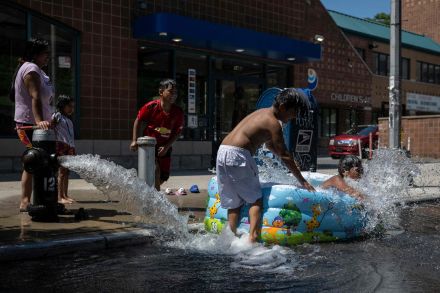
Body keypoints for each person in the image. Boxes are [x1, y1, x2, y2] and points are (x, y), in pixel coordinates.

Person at [216, 88, 316, 243]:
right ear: (282, 107)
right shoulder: (274, 124)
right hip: (239, 155)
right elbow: (284, 154)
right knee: (255, 200)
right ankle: (253, 238)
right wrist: (301, 180)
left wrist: (281, 156)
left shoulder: (262, 113)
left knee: (234, 203)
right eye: (293, 112)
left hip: (223, 152)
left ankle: (229, 238)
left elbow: (270, 146)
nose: (294, 117)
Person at [13, 38, 54, 212]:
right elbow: (34, 96)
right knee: (32, 160)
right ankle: (25, 201)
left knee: (43, 162)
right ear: (36, 54)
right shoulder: (30, 68)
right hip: (30, 124)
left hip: (40, 125)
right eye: (45, 54)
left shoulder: (40, 72)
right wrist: (39, 122)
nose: (48, 57)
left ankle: (44, 197)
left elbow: (45, 99)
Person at [130, 79, 184, 191]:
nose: (173, 95)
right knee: (155, 170)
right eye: (170, 92)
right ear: (161, 92)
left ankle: (147, 191)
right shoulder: (151, 107)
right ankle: (156, 201)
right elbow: (138, 120)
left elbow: (178, 132)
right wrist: (134, 140)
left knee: (163, 177)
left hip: (165, 146)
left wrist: (167, 146)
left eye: (175, 93)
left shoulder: (178, 112)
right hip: (149, 146)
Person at [52, 95, 76, 204]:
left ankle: (65, 195)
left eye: (73, 106)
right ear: (62, 106)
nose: (71, 109)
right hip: (61, 146)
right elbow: (50, 126)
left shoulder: (69, 120)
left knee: (67, 172)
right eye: (69, 106)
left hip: (70, 147)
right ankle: (59, 196)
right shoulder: (57, 116)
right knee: (61, 172)